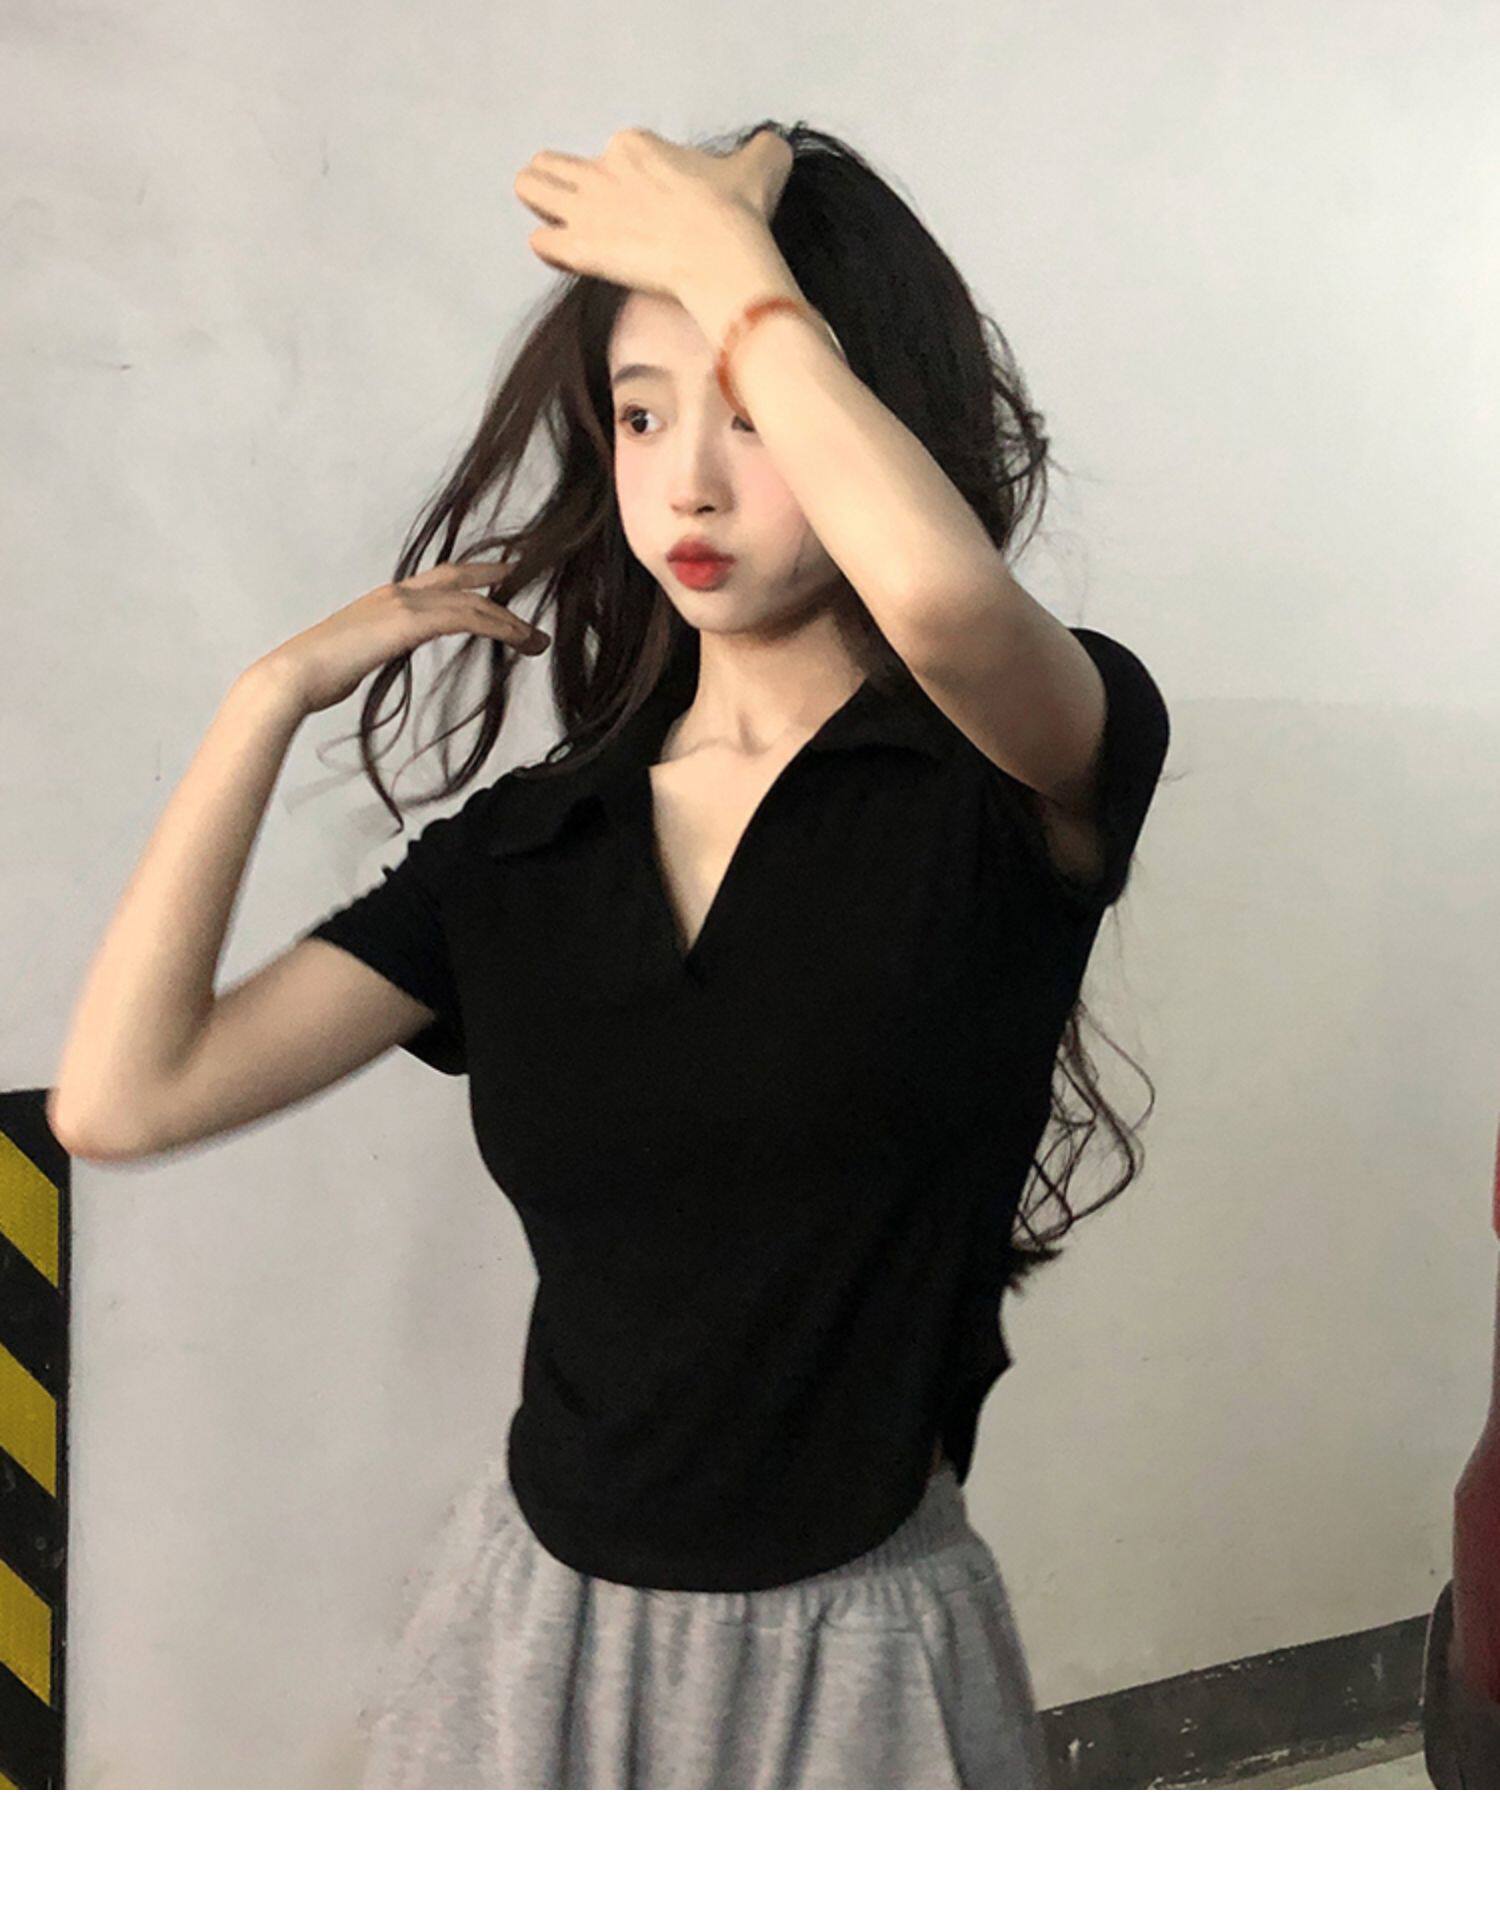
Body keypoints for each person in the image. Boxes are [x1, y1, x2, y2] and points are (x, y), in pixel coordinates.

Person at [48, 122, 1169, 1788]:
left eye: (751, 410)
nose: (688, 482)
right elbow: (123, 1098)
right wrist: (262, 701)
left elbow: (940, 607)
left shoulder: (1014, 776)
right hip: (529, 1646)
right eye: (642, 414)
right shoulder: (532, 849)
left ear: (874, 412)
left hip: (865, 1657)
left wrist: (734, 268)